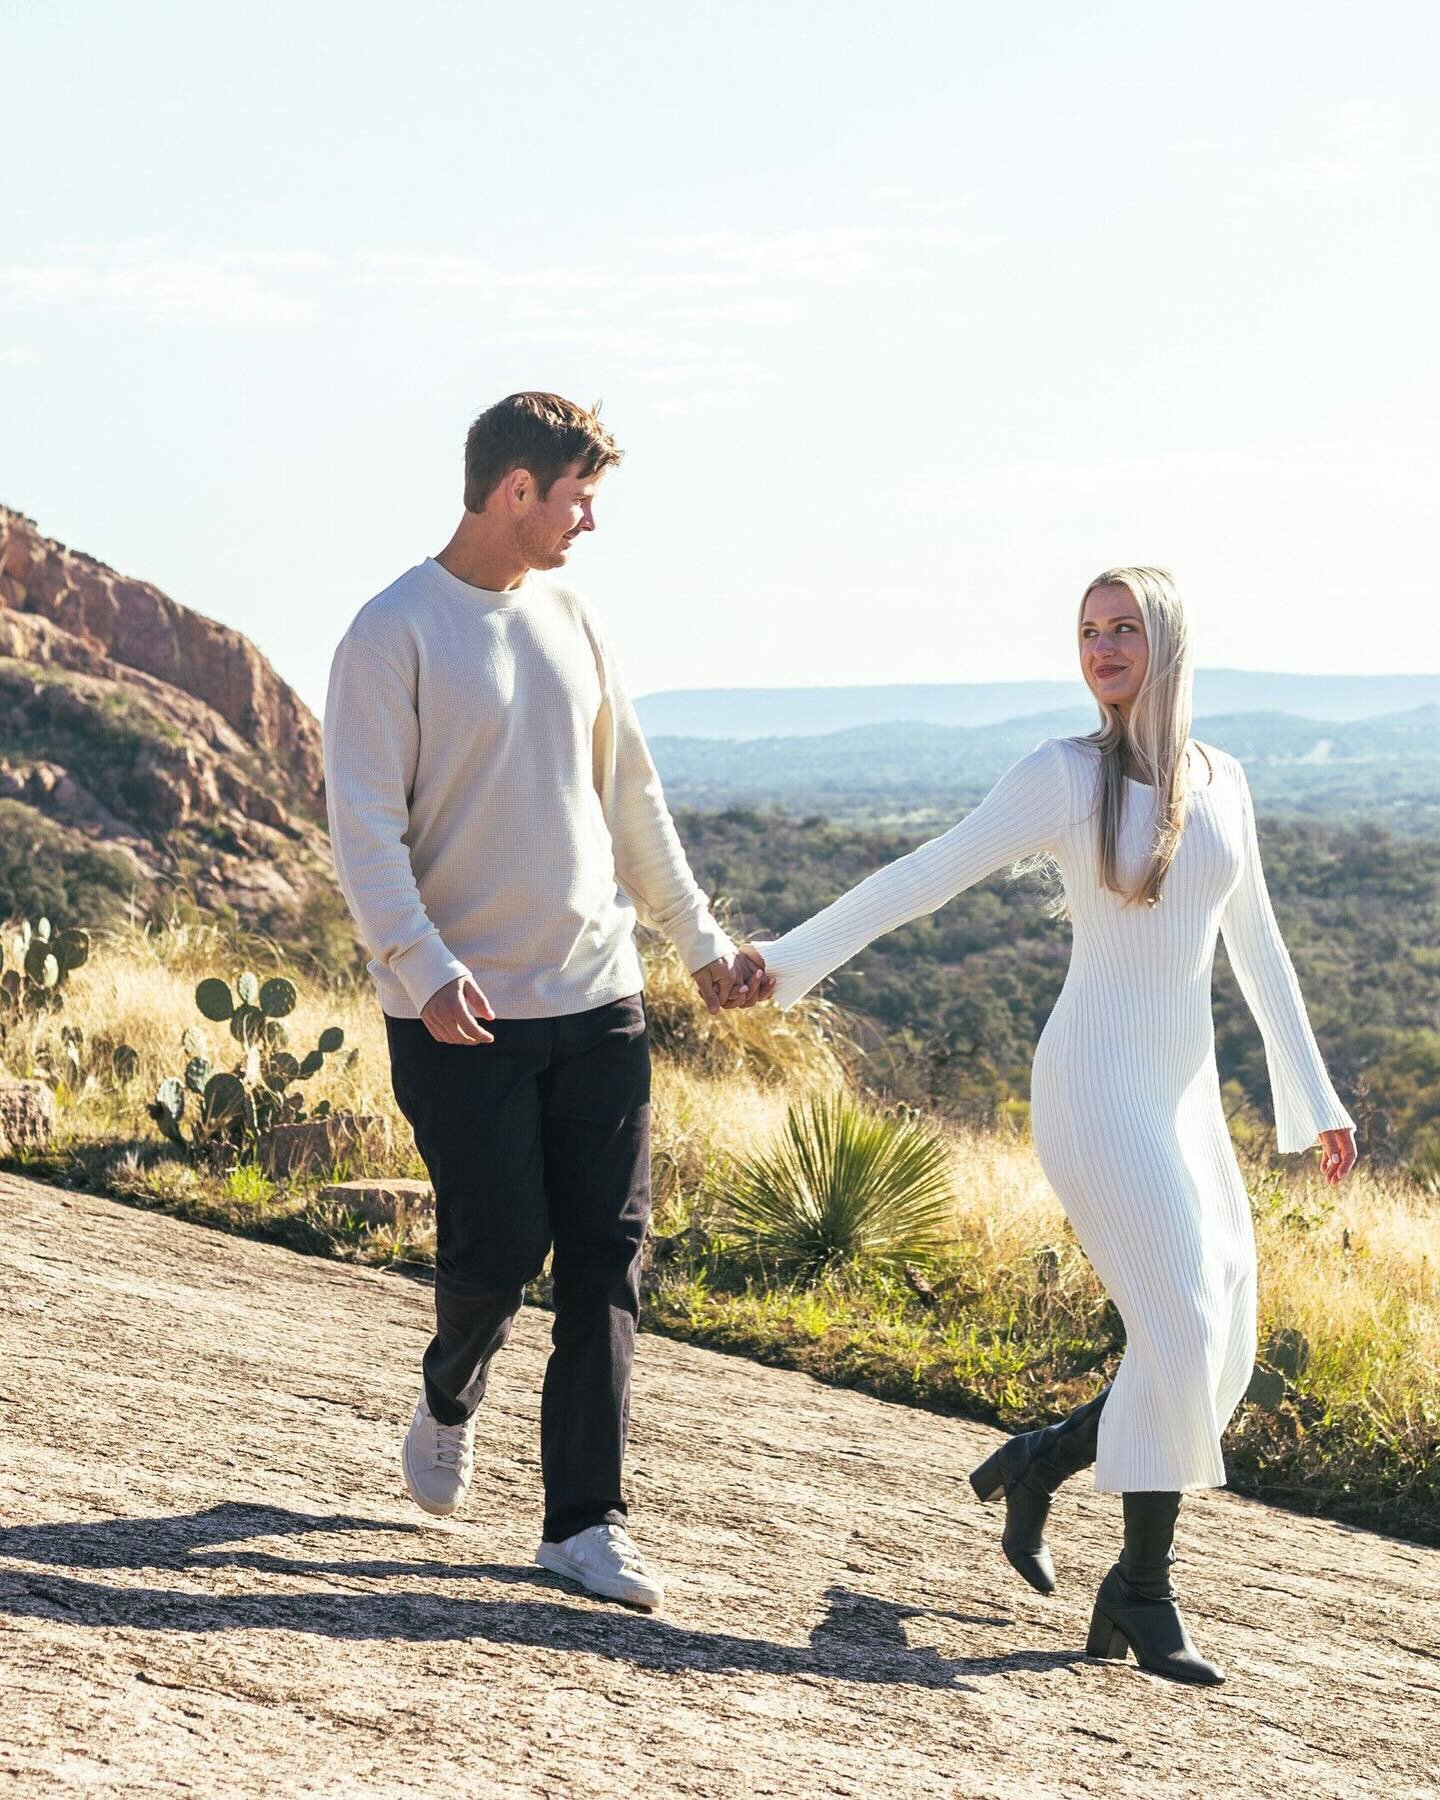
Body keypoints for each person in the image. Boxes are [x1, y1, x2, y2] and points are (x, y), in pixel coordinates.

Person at [752, 566, 1356, 1684]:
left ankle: (1040, 1460)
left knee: (1221, 1342)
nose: (1105, 646)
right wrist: (783, 964)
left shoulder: (1225, 781)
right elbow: (925, 876)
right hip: (1093, 1082)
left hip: (1183, 1092)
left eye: (1126, 627)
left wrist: (1312, 1100)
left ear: (1169, 643)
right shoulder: (1065, 776)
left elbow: (1257, 948)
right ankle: (1142, 1591)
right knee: (1175, 1325)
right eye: (1089, 630)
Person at [323, 392, 768, 1613]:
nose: (589, 522)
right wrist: (417, 963)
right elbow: (362, 830)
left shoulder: (576, 616)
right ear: (516, 489)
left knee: (608, 1263)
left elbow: (633, 799)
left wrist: (698, 942)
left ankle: (582, 1525)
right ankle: (451, 1388)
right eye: (578, 496)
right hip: (457, 1014)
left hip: (599, 997)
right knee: (500, 1250)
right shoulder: (392, 633)